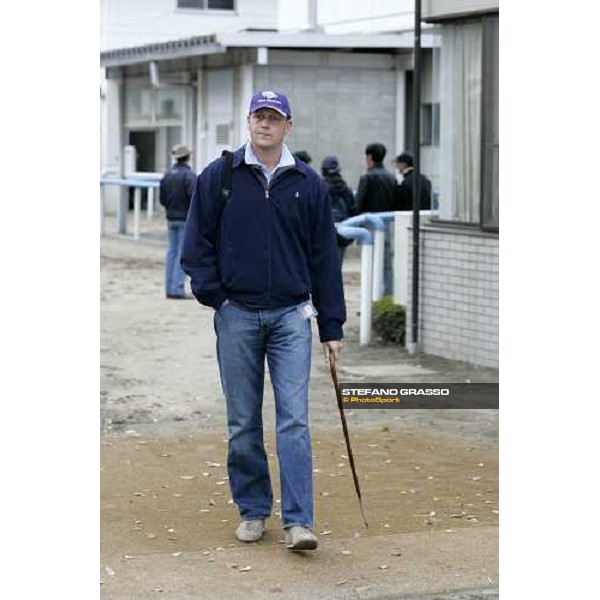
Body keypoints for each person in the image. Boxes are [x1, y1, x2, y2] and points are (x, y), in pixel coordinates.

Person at [181, 90, 346, 552]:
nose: (265, 125)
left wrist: (331, 327)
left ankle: (299, 522)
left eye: (274, 118)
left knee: (294, 420)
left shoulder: (308, 185)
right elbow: (196, 245)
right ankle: (253, 510)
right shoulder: (221, 176)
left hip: (292, 317)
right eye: (258, 116)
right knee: (242, 422)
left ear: (288, 126)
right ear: (249, 121)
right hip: (237, 316)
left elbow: (324, 261)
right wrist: (218, 298)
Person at [355, 143, 398, 295]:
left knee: (369, 264)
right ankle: (386, 297)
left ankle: (368, 299)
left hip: (369, 225)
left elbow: (359, 204)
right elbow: (396, 203)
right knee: (386, 265)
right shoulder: (391, 177)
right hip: (386, 225)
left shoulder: (367, 177)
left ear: (370, 157)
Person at [159, 144, 196, 299]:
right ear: (188, 157)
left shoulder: (167, 175)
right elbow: (195, 199)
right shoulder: (189, 175)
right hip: (185, 219)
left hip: (171, 217)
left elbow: (162, 199)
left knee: (171, 252)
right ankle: (177, 288)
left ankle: (169, 288)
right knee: (182, 254)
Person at [321, 155, 356, 265]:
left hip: (323, 233)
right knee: (337, 266)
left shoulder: (319, 187)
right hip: (343, 233)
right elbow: (354, 210)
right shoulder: (346, 189)